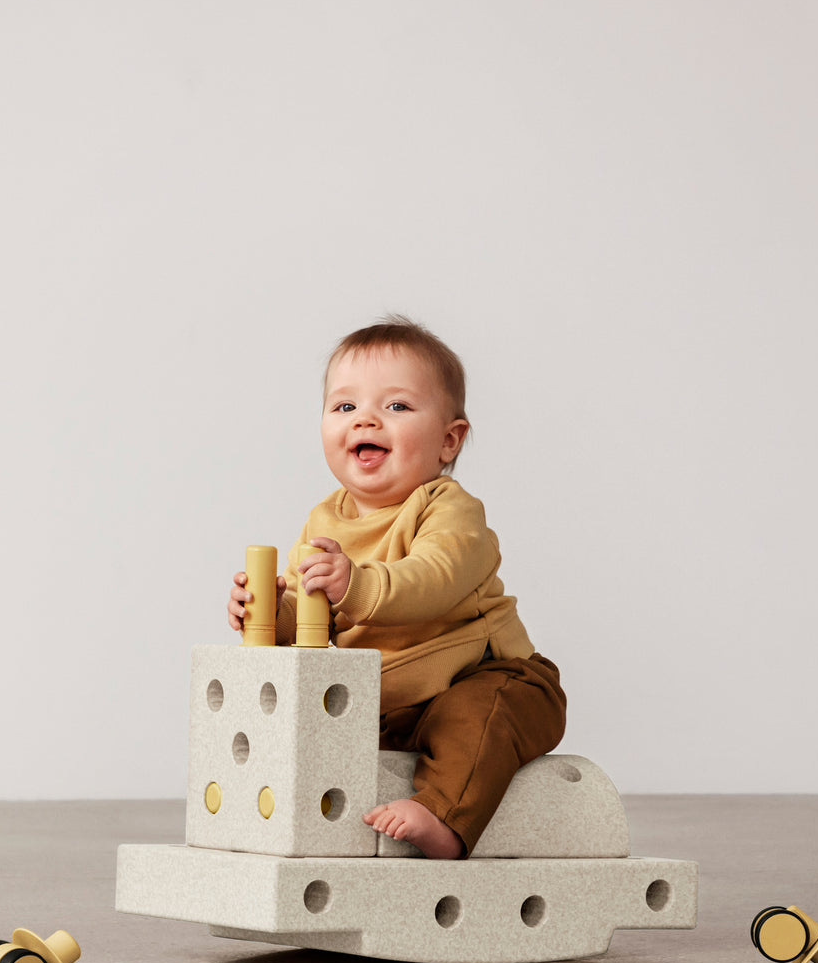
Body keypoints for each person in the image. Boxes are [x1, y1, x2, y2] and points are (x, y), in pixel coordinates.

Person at [227, 316, 566, 859]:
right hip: (391, 704)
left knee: (474, 716)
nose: (366, 420)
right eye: (344, 407)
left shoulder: (450, 509)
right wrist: (267, 612)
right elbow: (313, 617)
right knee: (316, 718)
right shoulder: (323, 522)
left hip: (488, 676)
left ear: (448, 441)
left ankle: (445, 822)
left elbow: (433, 579)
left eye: (397, 407)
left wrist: (355, 586)